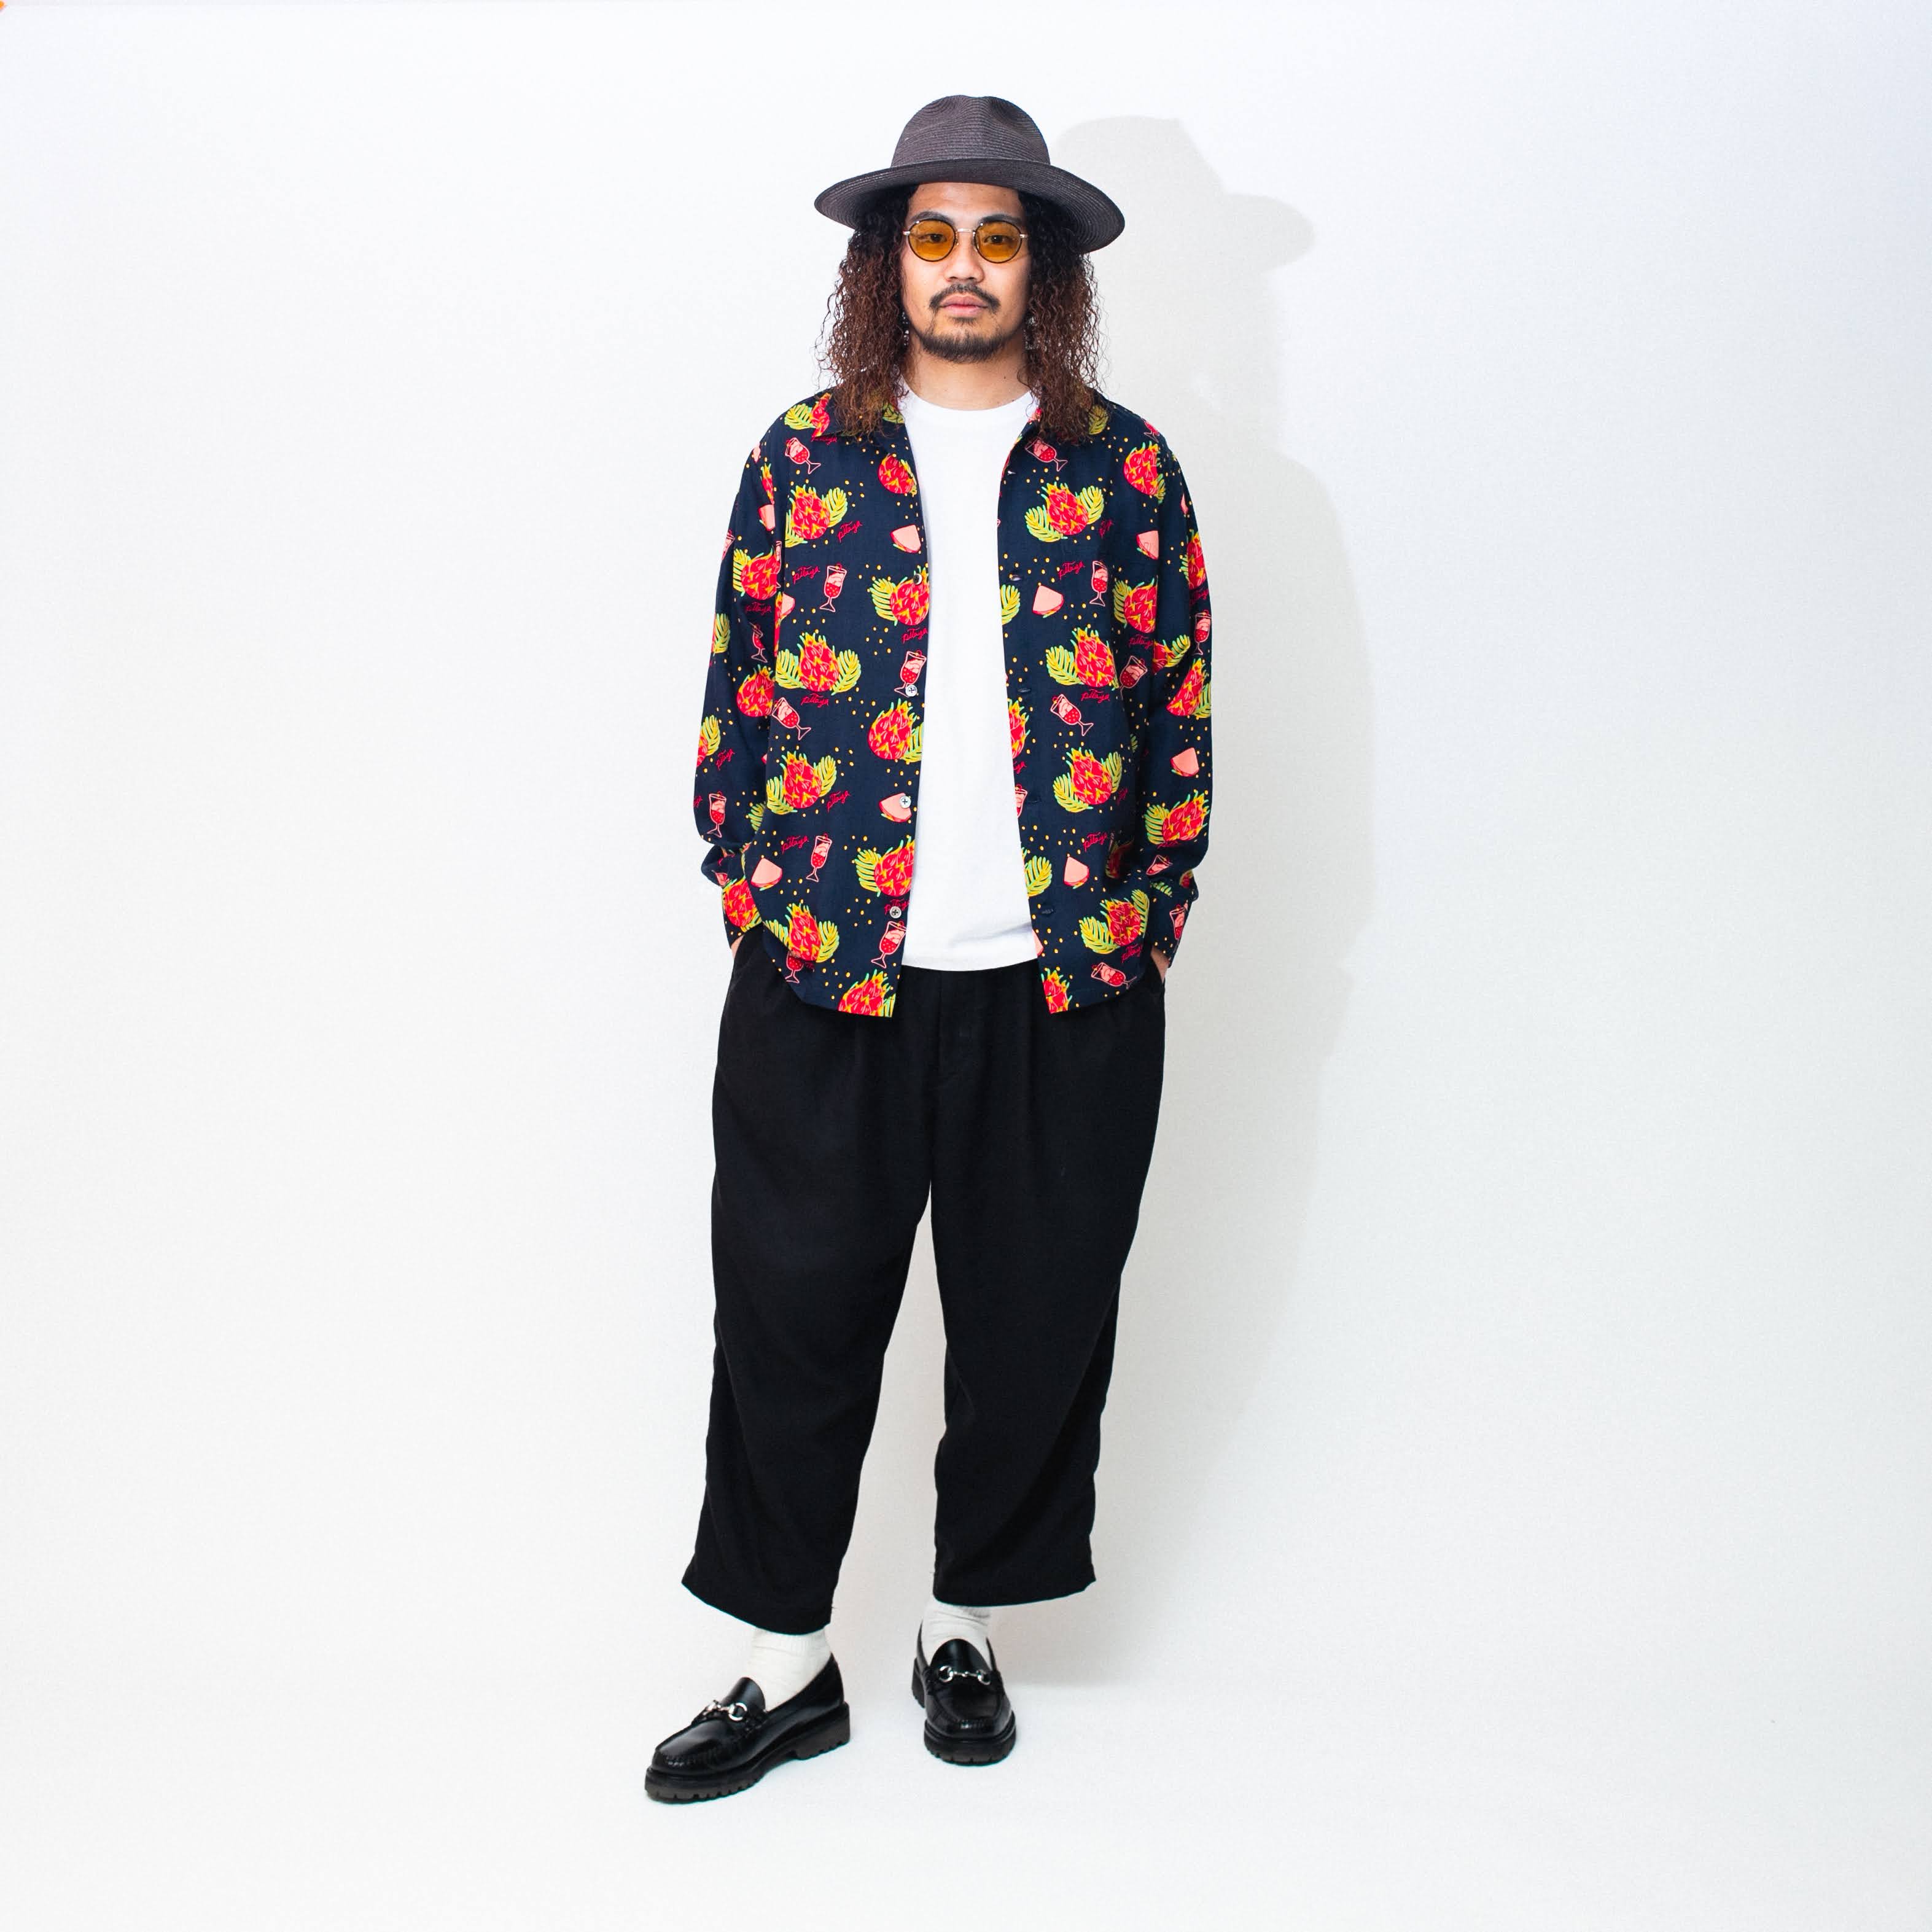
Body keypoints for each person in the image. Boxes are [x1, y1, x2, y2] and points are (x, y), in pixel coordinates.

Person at [647, 95, 1213, 1803]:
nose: (963, 267)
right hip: (829, 978)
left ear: (1040, 269)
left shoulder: (1124, 471)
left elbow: (1177, 710)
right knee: (790, 1322)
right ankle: (782, 1661)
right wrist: (758, 890)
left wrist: (1140, 921)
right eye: (933, 236)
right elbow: (739, 695)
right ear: (886, 265)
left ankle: (962, 1627)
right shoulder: (801, 458)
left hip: (1062, 984)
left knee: (1036, 1327)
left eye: (996, 238)